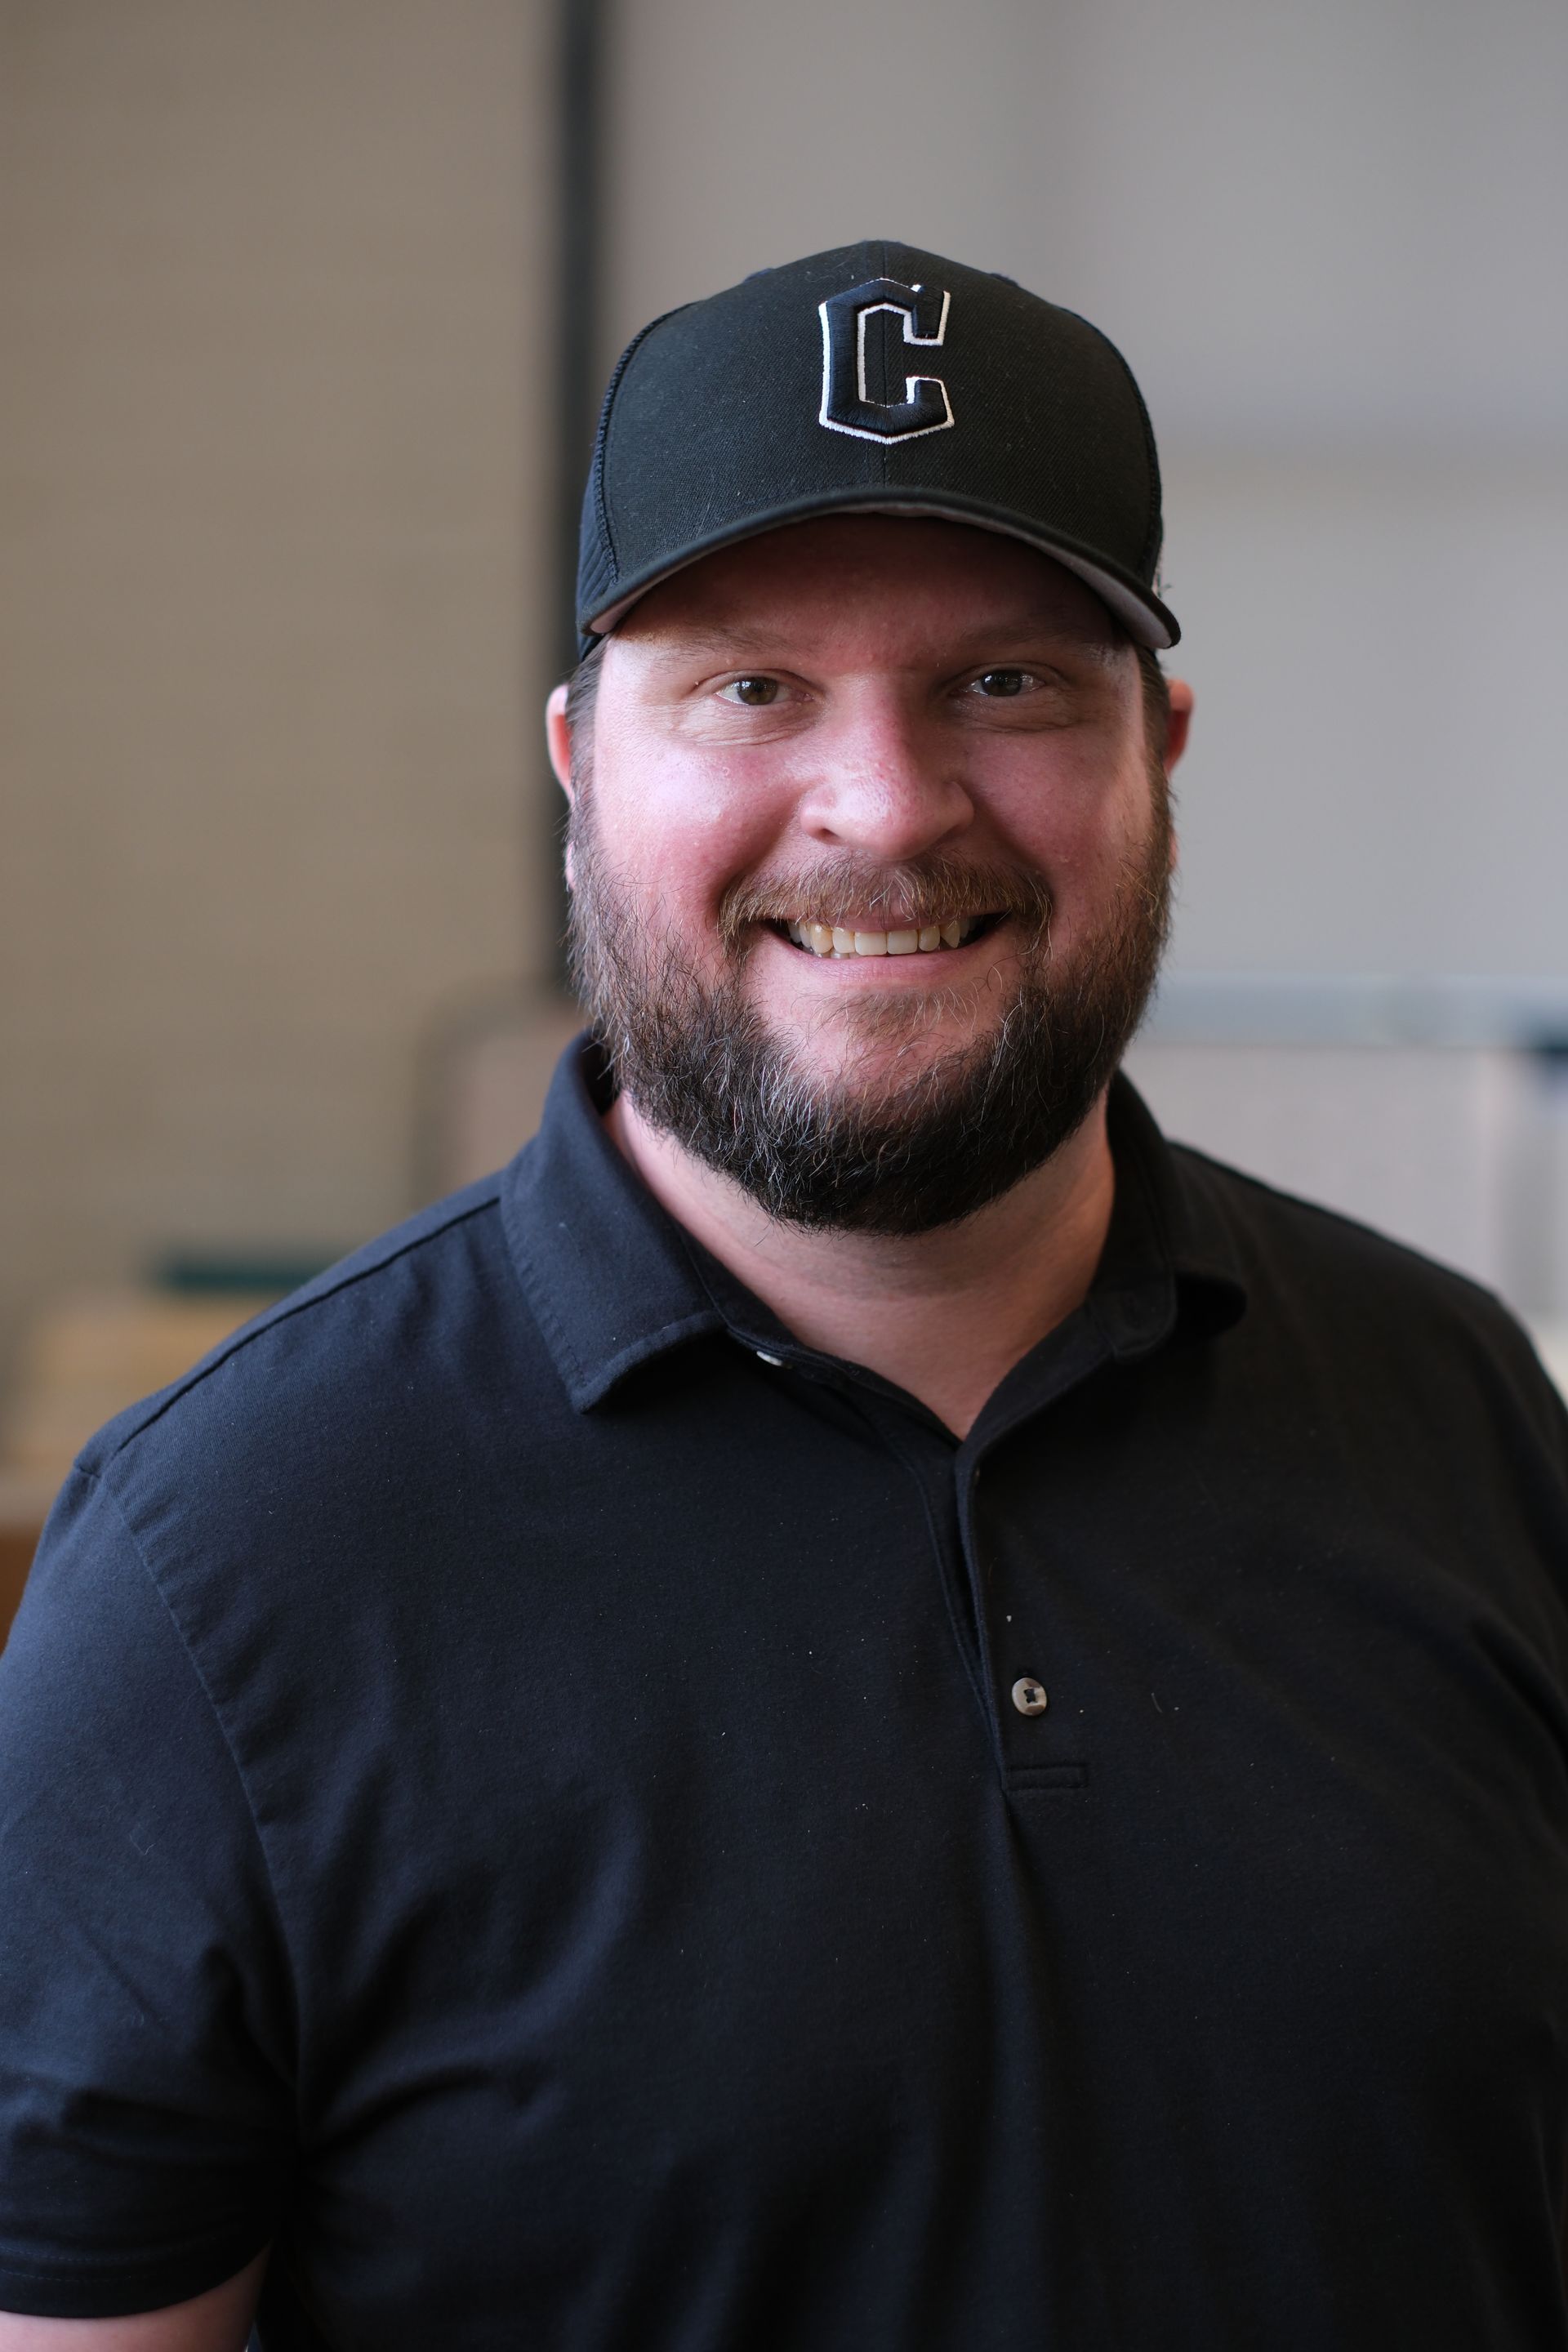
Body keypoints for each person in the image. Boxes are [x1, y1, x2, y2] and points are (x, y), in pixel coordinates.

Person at [2, 239, 1566, 2352]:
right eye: (752, 687)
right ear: (578, 762)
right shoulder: (220, 1557)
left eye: (1007, 683)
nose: (888, 807)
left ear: (1161, 751)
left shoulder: (1459, 1411)